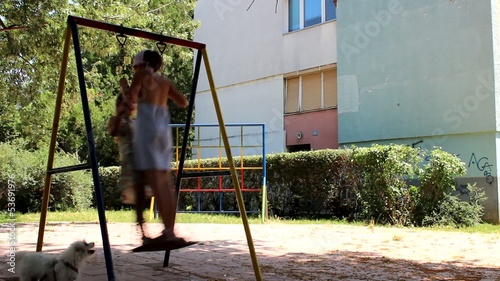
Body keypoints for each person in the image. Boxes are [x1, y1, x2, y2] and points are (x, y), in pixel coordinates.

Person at [123, 49, 189, 244]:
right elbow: (183, 102)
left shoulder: (142, 75)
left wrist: (124, 86)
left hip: (148, 130)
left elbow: (130, 99)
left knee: (156, 184)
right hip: (163, 130)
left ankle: (164, 233)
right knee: (166, 184)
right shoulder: (165, 82)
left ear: (142, 64)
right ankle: (169, 230)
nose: (135, 69)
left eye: (135, 66)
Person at [107, 81, 151, 241]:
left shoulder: (135, 122)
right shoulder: (116, 120)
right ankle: (143, 231)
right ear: (119, 105)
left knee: (142, 198)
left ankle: (144, 230)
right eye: (127, 103)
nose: (131, 106)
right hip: (130, 165)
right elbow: (112, 131)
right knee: (139, 197)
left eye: (133, 103)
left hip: (140, 162)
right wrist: (120, 114)